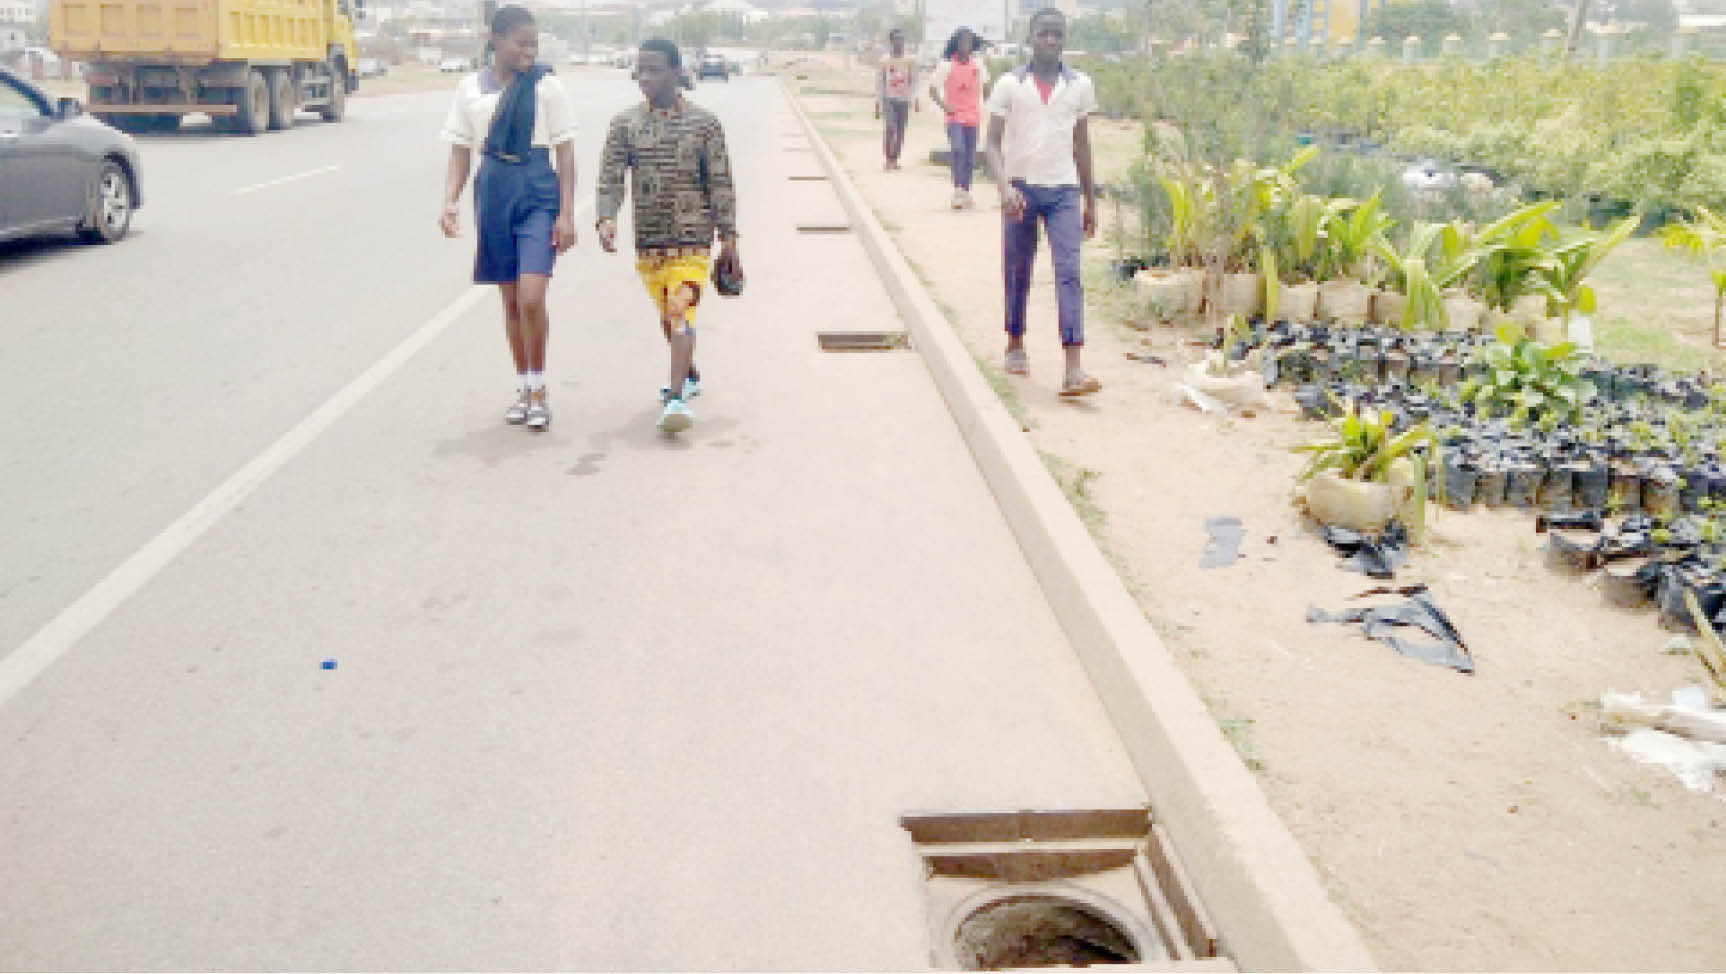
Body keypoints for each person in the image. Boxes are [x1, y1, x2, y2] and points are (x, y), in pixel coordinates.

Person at [439, 5, 579, 431]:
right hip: (494, 190)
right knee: (511, 300)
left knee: (532, 296)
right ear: (494, 40)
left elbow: (566, 153)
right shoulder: (469, 89)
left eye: (534, 43)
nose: (529, 51)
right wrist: (450, 201)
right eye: (522, 43)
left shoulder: (546, 87)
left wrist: (567, 214)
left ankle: (540, 388)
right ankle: (525, 386)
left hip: (537, 189)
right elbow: (461, 151)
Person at [595, 38, 742, 435]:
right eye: (640, 69)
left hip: (694, 240)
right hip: (649, 244)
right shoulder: (624, 124)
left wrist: (729, 240)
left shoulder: (705, 124)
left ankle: (676, 399)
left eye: (654, 69)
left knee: (679, 312)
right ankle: (690, 374)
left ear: (677, 71)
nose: (645, 77)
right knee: (671, 319)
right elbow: (610, 177)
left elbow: (721, 183)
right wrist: (605, 217)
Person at [983, 8, 1101, 397]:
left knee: (1070, 273)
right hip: (1021, 190)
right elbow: (992, 144)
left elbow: (1082, 144)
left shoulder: (1080, 85)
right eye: (1044, 33)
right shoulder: (1009, 84)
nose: (1051, 40)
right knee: (1018, 270)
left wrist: (1090, 200)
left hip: (1064, 191)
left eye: (1058, 34)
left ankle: (1073, 368)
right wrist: (1004, 188)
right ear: (1031, 37)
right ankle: (1015, 343)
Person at [928, 27, 990, 210]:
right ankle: (957, 190)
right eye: (963, 42)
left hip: (973, 116)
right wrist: (944, 106)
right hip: (954, 117)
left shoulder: (978, 65)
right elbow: (932, 89)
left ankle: (966, 191)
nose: (966, 45)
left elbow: (986, 85)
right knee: (958, 150)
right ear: (956, 44)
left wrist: (986, 104)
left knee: (970, 157)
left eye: (969, 42)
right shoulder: (946, 65)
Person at [874, 28, 918, 172]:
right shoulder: (884, 61)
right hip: (889, 99)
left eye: (902, 39)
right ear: (891, 41)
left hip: (904, 100)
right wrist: (879, 102)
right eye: (896, 39)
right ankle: (888, 158)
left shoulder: (910, 61)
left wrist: (914, 97)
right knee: (890, 127)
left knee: (900, 131)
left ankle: (895, 158)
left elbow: (914, 80)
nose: (899, 42)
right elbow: (880, 82)